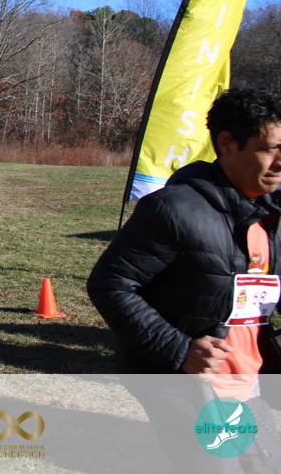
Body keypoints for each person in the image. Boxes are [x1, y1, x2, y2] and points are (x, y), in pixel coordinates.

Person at [88, 87, 281, 472]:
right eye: (270, 149)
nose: (280, 162)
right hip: (187, 386)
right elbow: (110, 283)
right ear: (227, 143)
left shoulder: (269, 213)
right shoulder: (173, 209)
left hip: (249, 382)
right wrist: (180, 351)